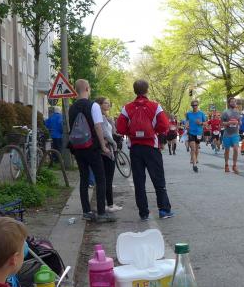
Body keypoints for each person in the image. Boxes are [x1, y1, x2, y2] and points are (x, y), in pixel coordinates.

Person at [116, 80, 173, 221]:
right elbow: (164, 125)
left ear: (134, 91)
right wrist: (154, 131)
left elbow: (120, 128)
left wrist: (131, 133)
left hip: (135, 148)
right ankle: (164, 210)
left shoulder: (127, 108)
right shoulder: (155, 106)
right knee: (158, 179)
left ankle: (143, 212)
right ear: (147, 90)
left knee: (139, 181)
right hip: (151, 147)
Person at [68, 79, 115, 223]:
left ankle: (86, 212)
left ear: (76, 90)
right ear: (87, 89)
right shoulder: (93, 105)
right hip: (92, 147)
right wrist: (103, 146)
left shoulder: (72, 107)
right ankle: (101, 213)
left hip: (77, 148)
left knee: (84, 178)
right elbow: (98, 127)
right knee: (101, 178)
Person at [96, 97, 122, 213]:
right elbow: (106, 134)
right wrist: (114, 143)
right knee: (108, 179)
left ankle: (107, 204)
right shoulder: (101, 117)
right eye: (106, 103)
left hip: (104, 150)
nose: (108, 105)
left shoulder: (104, 117)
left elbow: (111, 132)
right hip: (107, 151)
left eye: (108, 103)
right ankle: (110, 205)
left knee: (105, 179)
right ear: (100, 105)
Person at [222, 97, 242, 174]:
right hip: (227, 134)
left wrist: (238, 122)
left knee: (236, 149)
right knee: (227, 150)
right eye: (232, 102)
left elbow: (240, 122)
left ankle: (234, 166)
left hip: (235, 133)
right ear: (229, 103)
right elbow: (221, 123)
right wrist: (229, 123)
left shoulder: (238, 112)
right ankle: (226, 165)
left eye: (234, 102)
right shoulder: (225, 112)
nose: (233, 103)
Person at [185, 100, 206, 172]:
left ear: (198, 105)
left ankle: (195, 159)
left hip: (199, 133)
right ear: (191, 106)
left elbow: (206, 123)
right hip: (191, 132)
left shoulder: (201, 113)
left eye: (196, 105)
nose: (194, 107)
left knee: (197, 149)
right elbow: (187, 121)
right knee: (193, 149)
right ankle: (194, 165)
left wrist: (201, 123)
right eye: (193, 105)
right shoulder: (188, 114)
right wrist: (186, 126)